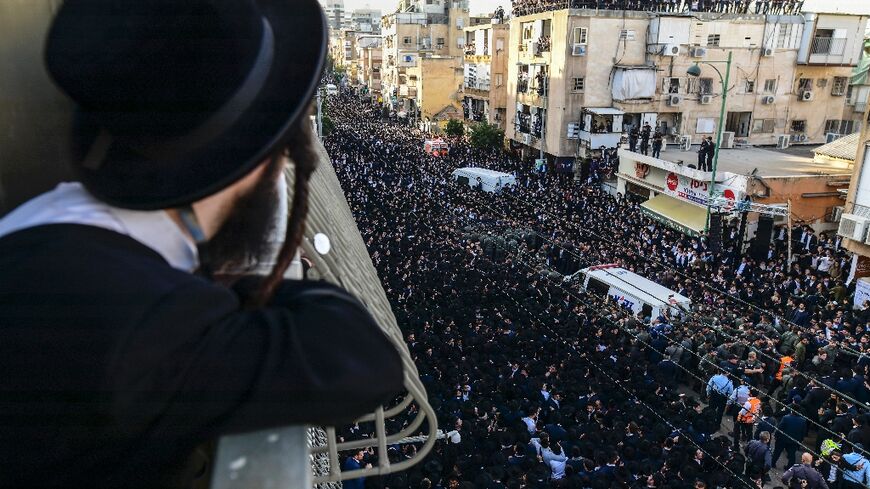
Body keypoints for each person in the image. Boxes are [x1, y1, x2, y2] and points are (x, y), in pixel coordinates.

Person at [0, 2, 403, 487]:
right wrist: (246, 281)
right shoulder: (135, 319)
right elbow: (361, 362)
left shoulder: (44, 231)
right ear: (263, 165)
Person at [774, 402, 809, 469]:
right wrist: (800, 440)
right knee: (792, 455)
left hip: (782, 439)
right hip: (794, 440)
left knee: (777, 452)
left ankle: (773, 463)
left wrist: (776, 435)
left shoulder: (786, 418)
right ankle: (789, 467)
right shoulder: (803, 420)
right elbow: (803, 432)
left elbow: (780, 427)